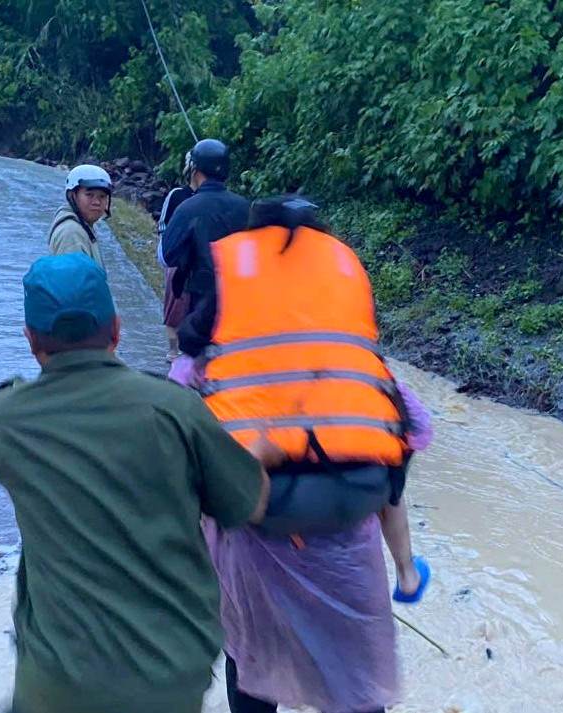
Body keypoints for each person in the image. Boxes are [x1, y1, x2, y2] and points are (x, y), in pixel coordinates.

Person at [0, 252, 276, 713]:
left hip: (56, 683)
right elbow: (251, 506)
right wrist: (258, 451)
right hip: (169, 676)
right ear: (117, 330)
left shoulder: (3, 420)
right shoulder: (175, 410)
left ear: (30, 339)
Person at [181, 195, 433, 713]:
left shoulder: (205, 368)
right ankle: (406, 571)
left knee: (253, 673)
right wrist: (406, 569)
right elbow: (401, 453)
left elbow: (180, 455)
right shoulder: (362, 370)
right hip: (346, 557)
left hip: (250, 555)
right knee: (356, 687)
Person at [158, 139, 249, 358]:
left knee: (199, 367)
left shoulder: (188, 207)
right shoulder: (246, 207)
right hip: (241, 303)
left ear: (194, 170)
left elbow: (167, 256)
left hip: (200, 305)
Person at [159, 159, 196, 360]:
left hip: (203, 263)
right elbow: (163, 226)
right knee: (175, 306)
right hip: (179, 260)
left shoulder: (210, 199)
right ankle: (173, 350)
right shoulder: (177, 195)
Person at [48, 165, 113, 270]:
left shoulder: (83, 225)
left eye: (102, 196)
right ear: (72, 195)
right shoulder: (71, 233)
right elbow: (72, 283)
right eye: (89, 195)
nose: (97, 202)